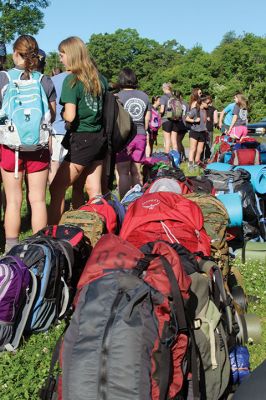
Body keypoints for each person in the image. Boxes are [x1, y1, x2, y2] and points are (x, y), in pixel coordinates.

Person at [0, 35, 56, 252]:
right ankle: (38, 249)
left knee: (13, 200)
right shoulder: (45, 80)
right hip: (38, 147)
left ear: (15, 53)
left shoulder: (3, 78)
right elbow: (50, 114)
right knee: (39, 200)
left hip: (9, 146)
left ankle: (11, 249)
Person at [48, 36, 108, 224]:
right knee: (94, 190)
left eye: (62, 54)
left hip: (81, 139)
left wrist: (64, 113)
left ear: (71, 55)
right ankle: (97, 231)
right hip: (99, 138)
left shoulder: (72, 80)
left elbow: (71, 116)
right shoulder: (101, 79)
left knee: (57, 188)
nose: (60, 59)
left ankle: (51, 233)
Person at [115, 67, 151, 198]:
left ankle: (124, 201)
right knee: (136, 172)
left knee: (123, 172)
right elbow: (147, 119)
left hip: (124, 137)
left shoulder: (117, 96)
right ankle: (137, 200)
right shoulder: (144, 96)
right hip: (140, 135)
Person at [49, 70, 69, 183]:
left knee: (54, 162)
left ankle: (54, 196)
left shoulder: (52, 80)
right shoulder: (81, 78)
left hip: (56, 128)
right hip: (72, 129)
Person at [185, 95, 209, 170]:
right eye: (207, 103)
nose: (208, 104)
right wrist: (195, 120)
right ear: (202, 102)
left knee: (200, 150)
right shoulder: (195, 110)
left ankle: (196, 164)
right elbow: (187, 118)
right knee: (193, 148)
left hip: (202, 132)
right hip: (194, 132)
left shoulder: (205, 111)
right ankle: (190, 165)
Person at [160, 82, 178, 153]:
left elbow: (162, 110)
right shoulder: (174, 97)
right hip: (175, 120)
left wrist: (159, 114)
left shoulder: (163, 97)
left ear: (166, 88)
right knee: (174, 141)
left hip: (166, 120)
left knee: (167, 140)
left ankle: (167, 159)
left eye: (163, 88)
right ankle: (176, 159)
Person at [173, 90, 188, 161]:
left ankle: (179, 157)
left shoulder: (176, 102)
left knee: (177, 141)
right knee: (178, 141)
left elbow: (177, 115)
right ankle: (183, 155)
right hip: (183, 124)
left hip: (179, 123)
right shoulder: (185, 103)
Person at [204, 95, 218, 159]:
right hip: (209, 128)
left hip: (201, 128)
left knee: (201, 144)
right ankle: (207, 159)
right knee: (209, 145)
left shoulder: (202, 108)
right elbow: (215, 121)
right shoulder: (214, 109)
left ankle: (199, 159)